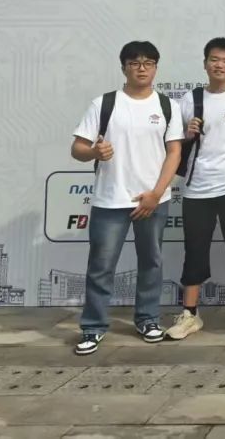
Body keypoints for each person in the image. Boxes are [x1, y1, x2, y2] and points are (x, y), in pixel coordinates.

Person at [70, 41, 184, 355]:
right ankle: (93, 327)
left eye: (148, 62)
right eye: (134, 63)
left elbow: (174, 152)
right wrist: (94, 152)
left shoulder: (167, 106)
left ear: (156, 68)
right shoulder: (104, 104)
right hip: (110, 200)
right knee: (101, 266)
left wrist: (156, 194)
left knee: (151, 262)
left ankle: (147, 320)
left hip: (153, 199)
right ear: (124, 68)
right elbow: (78, 148)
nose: (142, 68)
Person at [165, 38, 225, 341]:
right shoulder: (190, 99)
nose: (219, 65)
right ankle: (190, 315)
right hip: (196, 189)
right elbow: (174, 145)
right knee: (194, 250)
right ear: (205, 63)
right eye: (214, 59)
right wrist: (187, 134)